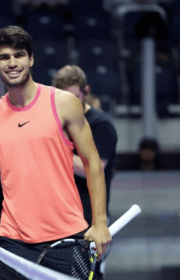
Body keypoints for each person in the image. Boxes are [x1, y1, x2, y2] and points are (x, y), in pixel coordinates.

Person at [0, 26, 111, 264]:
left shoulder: (64, 103)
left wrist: (99, 223)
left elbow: (93, 165)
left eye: (19, 55)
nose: (12, 63)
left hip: (67, 236)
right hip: (13, 239)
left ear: (31, 59)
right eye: (4, 57)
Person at [53, 65, 118, 279]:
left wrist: (52, 151)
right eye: (63, 98)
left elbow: (93, 166)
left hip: (89, 219)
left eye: (73, 97)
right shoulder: (54, 124)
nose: (68, 103)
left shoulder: (101, 125)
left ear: (86, 91)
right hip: (57, 217)